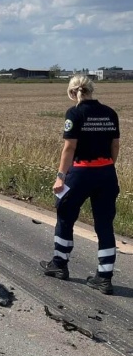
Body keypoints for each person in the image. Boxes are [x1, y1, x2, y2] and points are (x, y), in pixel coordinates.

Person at [40, 75, 120, 295]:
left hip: (81, 173)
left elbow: (69, 148)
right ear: (92, 90)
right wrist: (107, 168)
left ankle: (59, 265)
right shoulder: (110, 113)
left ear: (72, 92)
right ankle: (104, 278)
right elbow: (115, 146)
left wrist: (60, 176)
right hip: (106, 173)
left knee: (65, 216)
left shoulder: (74, 113)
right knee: (105, 225)